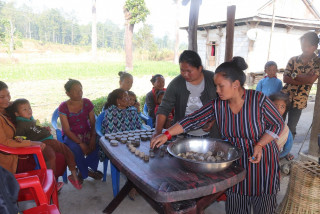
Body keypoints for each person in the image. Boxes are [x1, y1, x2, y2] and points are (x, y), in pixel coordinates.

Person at [151, 57, 284, 214]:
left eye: (221, 86)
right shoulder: (218, 105)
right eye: (216, 86)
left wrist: (260, 144)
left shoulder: (258, 100)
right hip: (235, 163)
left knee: (264, 207)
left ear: (235, 85)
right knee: (236, 206)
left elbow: (277, 124)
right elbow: (193, 119)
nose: (217, 90)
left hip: (262, 163)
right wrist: (166, 134)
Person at [9, 98, 81, 189]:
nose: (29, 111)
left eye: (29, 108)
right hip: (41, 144)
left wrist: (45, 129)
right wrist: (19, 138)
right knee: (51, 157)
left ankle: (73, 174)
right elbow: (19, 136)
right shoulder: (21, 124)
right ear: (17, 114)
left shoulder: (31, 120)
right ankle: (51, 182)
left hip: (50, 140)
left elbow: (36, 130)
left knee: (67, 150)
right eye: (25, 109)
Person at [154, 50, 220, 138]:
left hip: (211, 134)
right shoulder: (176, 84)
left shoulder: (213, 80)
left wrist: (214, 121)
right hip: (183, 135)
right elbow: (164, 108)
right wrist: (157, 132)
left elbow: (225, 105)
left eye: (189, 71)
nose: (185, 74)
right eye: (182, 70)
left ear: (200, 68)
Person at [101, 88, 142, 200]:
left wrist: (138, 112)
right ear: (118, 101)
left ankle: (138, 184)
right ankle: (132, 186)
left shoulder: (132, 110)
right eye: (125, 97)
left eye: (129, 96)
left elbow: (138, 127)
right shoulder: (111, 112)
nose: (129, 99)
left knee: (144, 153)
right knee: (128, 158)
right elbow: (110, 133)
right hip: (116, 144)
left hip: (132, 141)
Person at [59, 79, 102, 181]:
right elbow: (67, 130)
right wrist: (81, 144)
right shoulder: (63, 107)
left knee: (102, 143)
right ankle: (87, 172)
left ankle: (83, 170)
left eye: (80, 89)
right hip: (71, 136)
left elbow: (93, 123)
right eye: (75, 90)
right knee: (75, 148)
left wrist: (92, 138)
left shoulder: (87, 103)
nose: (79, 92)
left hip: (86, 132)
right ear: (67, 93)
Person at [0, 81, 45, 175]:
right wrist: (31, 143)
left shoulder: (9, 108)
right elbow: (5, 143)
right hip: (12, 157)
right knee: (50, 156)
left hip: (23, 142)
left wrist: (41, 130)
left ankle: (52, 182)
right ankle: (40, 185)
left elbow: (27, 118)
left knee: (57, 150)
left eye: (8, 95)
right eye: (2, 97)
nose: (7, 99)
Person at [282, 32, 320, 138]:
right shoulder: (293, 59)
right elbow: (285, 78)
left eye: (308, 46)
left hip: (300, 101)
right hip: (284, 97)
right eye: (303, 46)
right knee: (278, 124)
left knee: (291, 128)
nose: (305, 49)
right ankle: (274, 150)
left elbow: (311, 80)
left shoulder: (318, 63)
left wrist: (294, 76)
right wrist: (304, 78)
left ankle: (286, 152)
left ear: (315, 46)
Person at [269, 92, 294, 160]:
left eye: (282, 107)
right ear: (269, 106)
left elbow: (288, 146)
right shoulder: (261, 121)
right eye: (275, 105)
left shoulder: (285, 128)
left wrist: (280, 156)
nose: (278, 109)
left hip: (273, 156)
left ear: (285, 109)